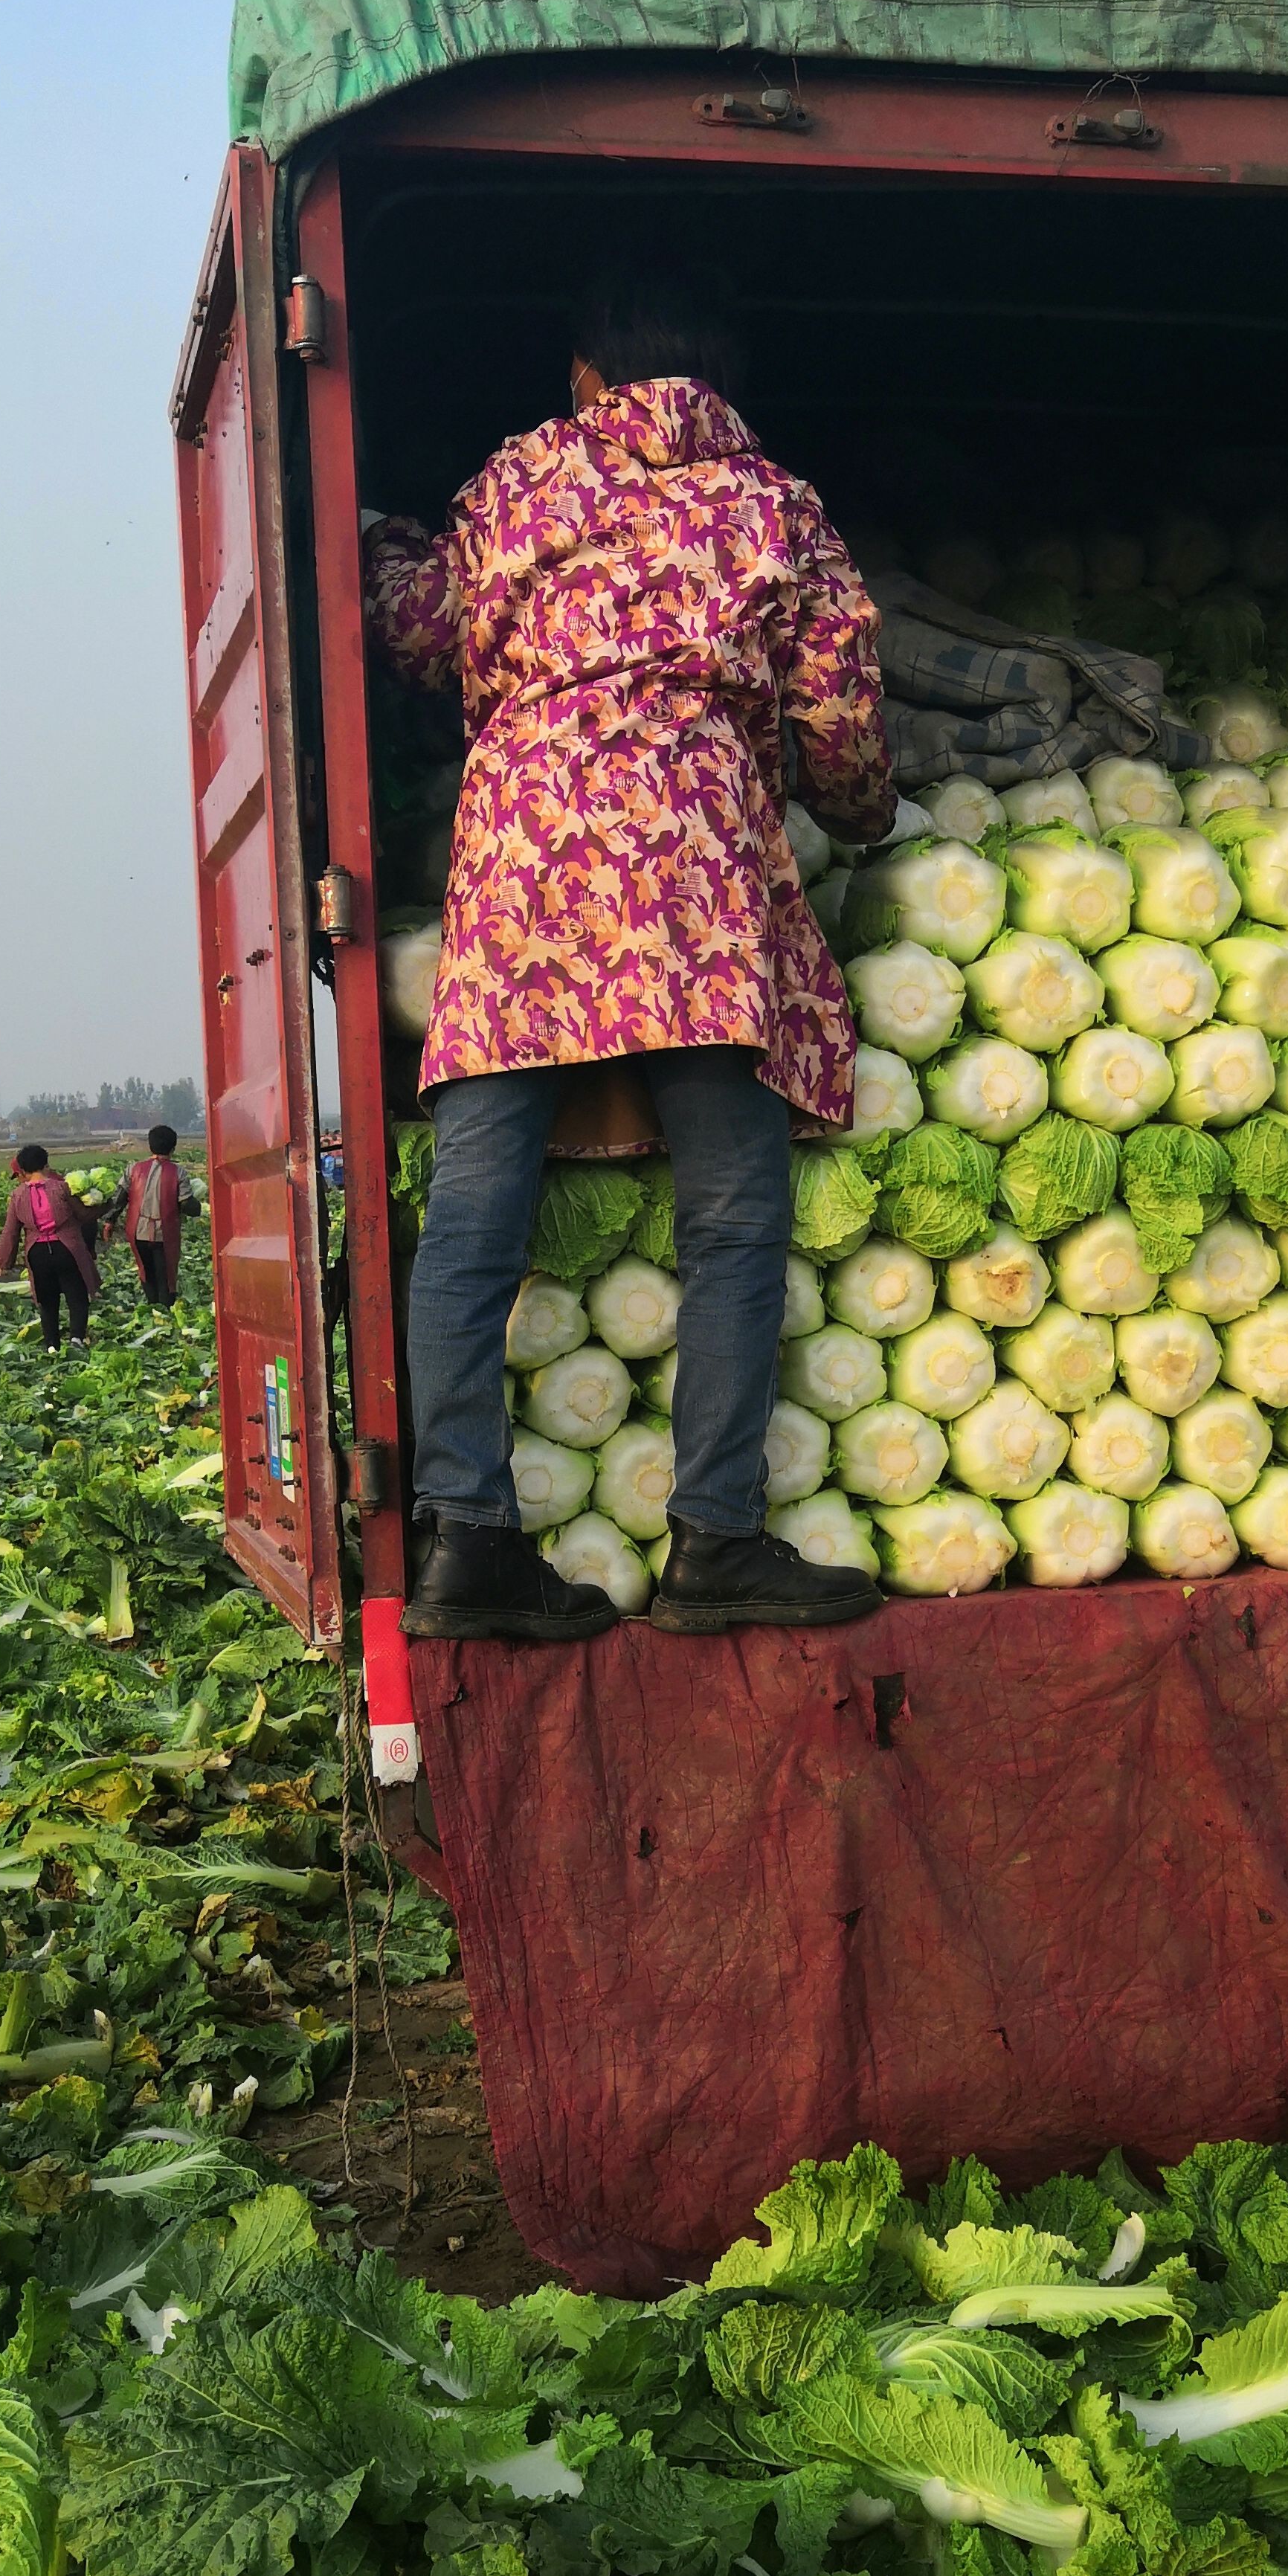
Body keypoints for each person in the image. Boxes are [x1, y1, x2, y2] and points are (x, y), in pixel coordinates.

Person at [365, 260, 900, 1646]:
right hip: (693, 884)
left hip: (522, 870)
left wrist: (372, 546)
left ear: (592, 378)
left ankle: (466, 1542)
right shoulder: (776, 505)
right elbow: (838, 721)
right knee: (733, 1215)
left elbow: (426, 629)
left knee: (475, 1213)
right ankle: (718, 1543)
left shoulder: (520, 478)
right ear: (720, 385)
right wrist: (861, 816)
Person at [0, 1143, 101, 1350]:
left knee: (47, 1299)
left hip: (37, 1252)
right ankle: (76, 1340)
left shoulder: (18, 1196)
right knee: (77, 1295)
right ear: (46, 1165)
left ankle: (52, 1345)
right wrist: (104, 1206)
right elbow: (84, 1215)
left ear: (23, 1171)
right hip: (67, 1248)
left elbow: (11, 1231)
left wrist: (4, 1261)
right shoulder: (62, 1187)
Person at [115, 1125, 196, 1307]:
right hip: (164, 1234)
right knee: (166, 1275)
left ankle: (152, 1308)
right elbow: (188, 1205)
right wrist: (197, 1205)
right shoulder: (178, 1172)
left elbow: (119, 1199)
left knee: (145, 1271)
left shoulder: (133, 1169)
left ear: (150, 1147)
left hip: (138, 1232)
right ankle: (165, 1311)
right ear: (173, 1149)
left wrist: (109, 1222)